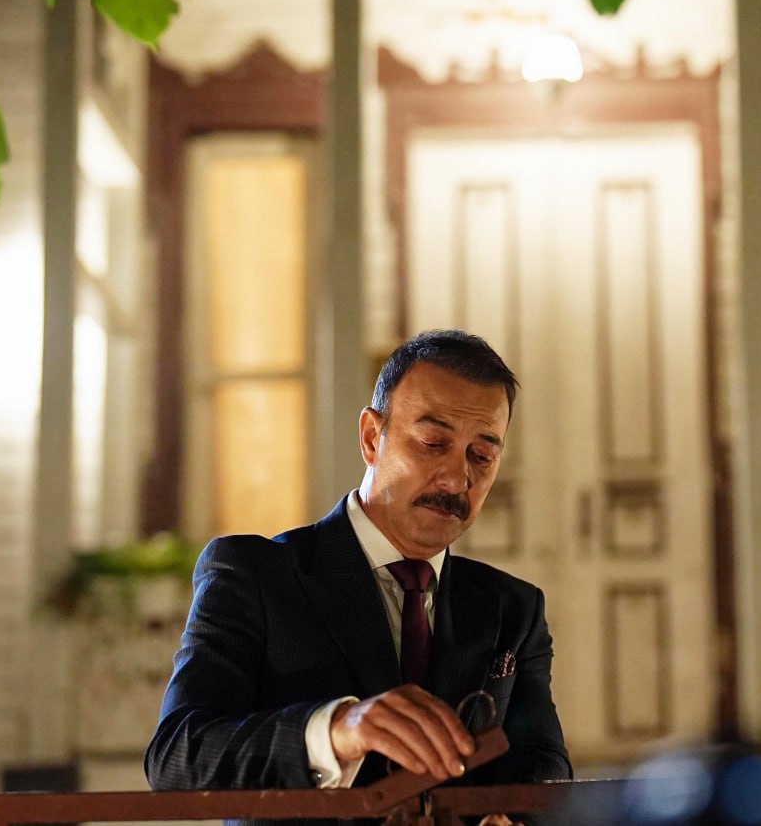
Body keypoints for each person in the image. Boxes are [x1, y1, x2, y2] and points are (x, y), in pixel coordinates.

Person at [144, 329, 571, 822]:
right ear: (371, 437)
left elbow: (543, 763)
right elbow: (177, 756)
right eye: (433, 443)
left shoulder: (514, 608)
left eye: (482, 456)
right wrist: (336, 730)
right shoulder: (253, 574)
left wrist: (519, 818)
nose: (458, 480)